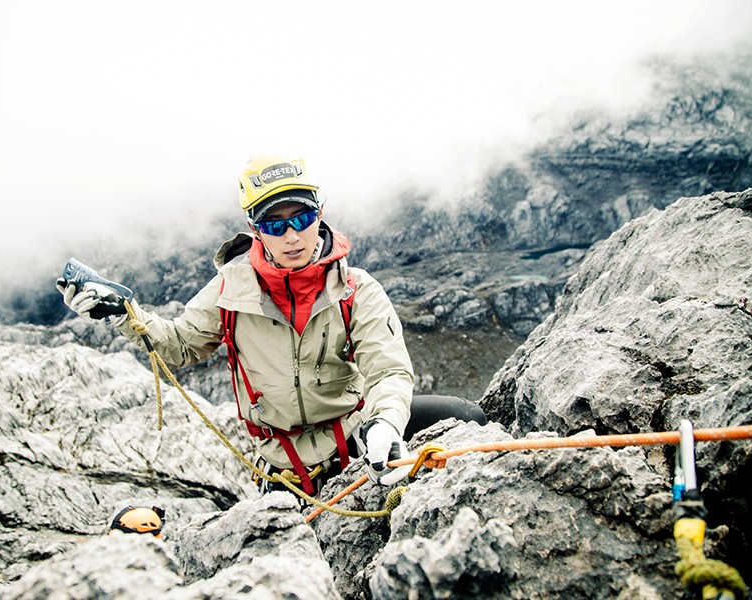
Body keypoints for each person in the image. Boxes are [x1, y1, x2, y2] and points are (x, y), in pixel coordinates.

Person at [57, 154, 486, 498]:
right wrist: (122, 315)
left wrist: (386, 424)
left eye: (301, 218)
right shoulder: (230, 290)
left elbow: (389, 371)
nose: (293, 237)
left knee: (467, 419)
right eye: (275, 226)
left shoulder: (356, 289)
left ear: (320, 214)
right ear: (254, 229)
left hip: (357, 442)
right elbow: (180, 346)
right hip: (284, 471)